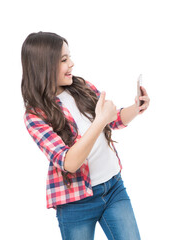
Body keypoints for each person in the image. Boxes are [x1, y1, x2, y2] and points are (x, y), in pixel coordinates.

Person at [21, 32, 149, 240]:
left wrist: (136, 108)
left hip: (114, 187)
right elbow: (69, 162)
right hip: (75, 202)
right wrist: (100, 121)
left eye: (69, 56)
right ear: (43, 65)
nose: (71, 64)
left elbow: (112, 119)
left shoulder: (79, 86)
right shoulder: (35, 115)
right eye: (64, 60)